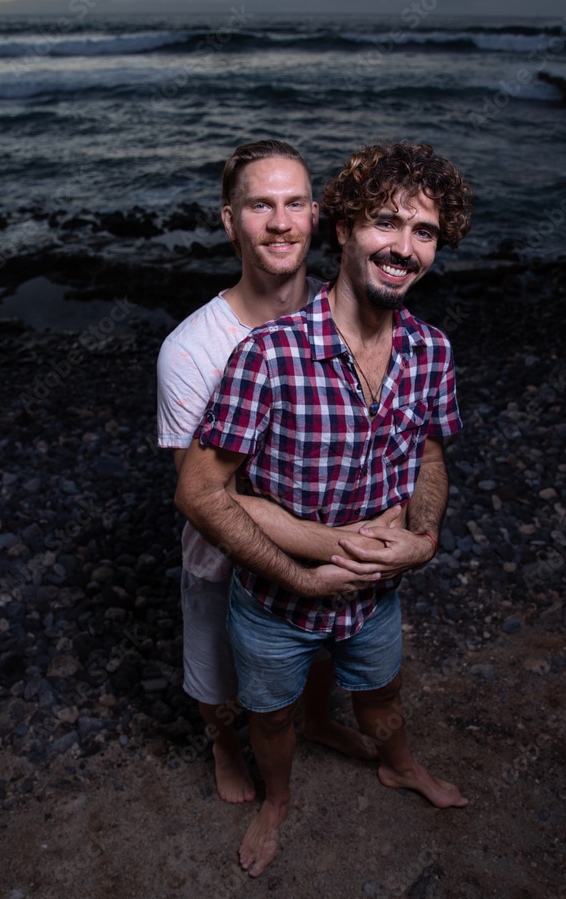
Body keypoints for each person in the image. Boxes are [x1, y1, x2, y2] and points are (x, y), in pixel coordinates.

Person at [175, 140, 474, 877]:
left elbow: (430, 456)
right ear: (340, 228)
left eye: (424, 232)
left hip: (379, 597)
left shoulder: (432, 351)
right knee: (270, 716)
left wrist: (424, 536)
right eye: (384, 223)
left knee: (381, 695)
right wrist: (301, 571)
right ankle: (276, 799)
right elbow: (202, 490)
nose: (403, 248)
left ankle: (398, 762)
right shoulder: (266, 355)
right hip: (274, 602)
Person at [157, 139, 384, 804]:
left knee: (314, 655)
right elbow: (204, 497)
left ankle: (315, 719)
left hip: (330, 551)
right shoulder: (191, 350)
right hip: (224, 562)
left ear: (316, 215)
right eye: (259, 205)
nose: (279, 223)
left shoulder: (349, 316)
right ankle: (225, 743)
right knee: (217, 682)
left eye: (293, 204)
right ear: (229, 220)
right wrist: (344, 547)